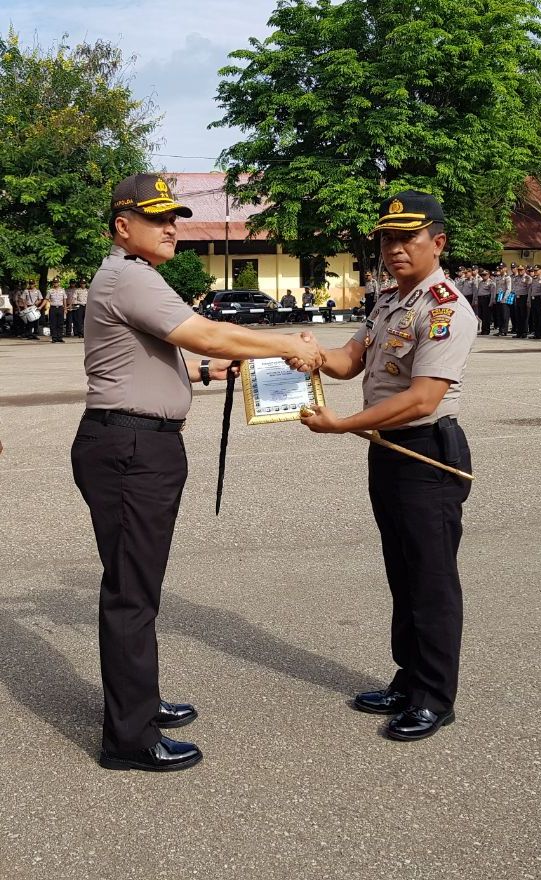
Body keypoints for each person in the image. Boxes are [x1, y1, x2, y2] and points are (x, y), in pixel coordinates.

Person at [71, 173, 322, 773]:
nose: (171, 227)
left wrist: (208, 377)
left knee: (140, 584)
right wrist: (287, 343)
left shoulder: (137, 277)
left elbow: (157, 362)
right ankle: (127, 739)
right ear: (121, 226)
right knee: (132, 593)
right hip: (132, 449)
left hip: (135, 444)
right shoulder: (130, 276)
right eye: (157, 218)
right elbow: (207, 333)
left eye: (174, 217)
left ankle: (141, 701)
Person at [299, 190, 477, 742]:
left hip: (426, 453)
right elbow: (349, 362)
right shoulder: (386, 302)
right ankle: (408, 679)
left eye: (408, 238)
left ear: (438, 243)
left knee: (431, 578)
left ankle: (434, 697)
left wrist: (343, 424)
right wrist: (306, 354)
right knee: (402, 572)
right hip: (389, 452)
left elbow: (423, 398)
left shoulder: (446, 308)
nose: (395, 248)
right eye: (388, 238)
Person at [512, 265, 532, 338]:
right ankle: (519, 332)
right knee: (518, 316)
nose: (520, 271)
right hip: (517, 297)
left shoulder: (527, 278)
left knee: (524, 316)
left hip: (524, 297)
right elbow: (515, 287)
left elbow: (529, 290)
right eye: (519, 270)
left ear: (525, 270)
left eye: (521, 270)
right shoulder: (516, 278)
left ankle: (524, 332)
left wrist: (528, 300)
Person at [45, 278, 67, 343]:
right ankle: (54, 337)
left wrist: (65, 308)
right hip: (53, 308)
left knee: (60, 323)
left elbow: (64, 299)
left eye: (57, 282)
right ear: (53, 283)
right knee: (53, 323)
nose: (55, 283)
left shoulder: (62, 290)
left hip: (60, 308)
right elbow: (46, 299)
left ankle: (60, 337)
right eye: (54, 282)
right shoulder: (50, 291)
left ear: (59, 283)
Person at [474, 268, 496, 335]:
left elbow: (493, 293)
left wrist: (491, 302)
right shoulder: (481, 282)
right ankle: (483, 330)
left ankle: (486, 330)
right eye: (482, 275)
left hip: (486, 299)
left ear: (488, 275)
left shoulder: (491, 283)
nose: (483, 276)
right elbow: (478, 291)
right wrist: (476, 300)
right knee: (481, 315)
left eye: (485, 275)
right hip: (480, 299)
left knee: (486, 316)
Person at [494, 263, 513, 336]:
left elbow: (509, 289)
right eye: (499, 268)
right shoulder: (498, 277)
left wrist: (504, 298)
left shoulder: (507, 277)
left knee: (505, 315)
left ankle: (504, 330)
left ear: (505, 269)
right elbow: (496, 288)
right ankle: (500, 330)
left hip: (505, 297)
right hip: (498, 296)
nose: (500, 270)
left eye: (501, 268)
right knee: (499, 314)